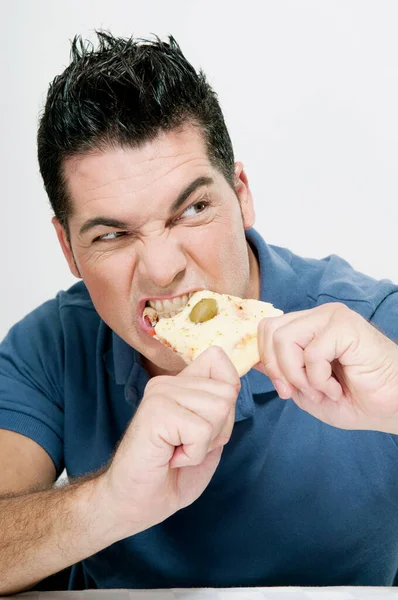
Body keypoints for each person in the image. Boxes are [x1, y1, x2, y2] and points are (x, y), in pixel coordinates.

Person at [0, 32, 398, 595]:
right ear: (68, 250)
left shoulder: (372, 325)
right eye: (113, 234)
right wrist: (107, 503)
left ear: (241, 195)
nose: (161, 269)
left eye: (192, 209)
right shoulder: (50, 344)